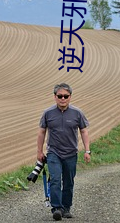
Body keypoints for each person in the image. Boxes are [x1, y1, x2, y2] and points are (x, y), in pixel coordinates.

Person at [37, 83, 91, 221]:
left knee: (68, 181)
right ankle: (56, 208)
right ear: (55, 97)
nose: (63, 99)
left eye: (65, 96)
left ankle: (66, 208)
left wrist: (87, 150)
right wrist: (39, 152)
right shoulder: (48, 113)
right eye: (59, 96)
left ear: (70, 97)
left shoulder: (77, 113)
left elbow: (84, 131)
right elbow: (42, 132)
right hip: (53, 152)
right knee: (55, 179)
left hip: (71, 153)